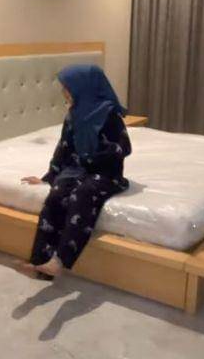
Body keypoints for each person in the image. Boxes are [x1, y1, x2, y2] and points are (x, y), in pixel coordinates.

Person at [20, 64, 131, 279]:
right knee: (57, 194)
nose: (64, 92)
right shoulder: (74, 115)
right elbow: (64, 148)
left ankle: (60, 260)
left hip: (106, 174)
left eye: (67, 87)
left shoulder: (109, 115)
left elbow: (123, 148)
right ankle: (39, 262)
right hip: (78, 170)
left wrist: (91, 157)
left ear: (84, 88)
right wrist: (49, 177)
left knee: (83, 194)